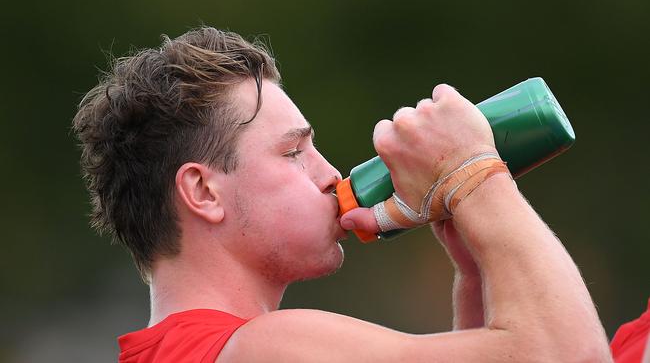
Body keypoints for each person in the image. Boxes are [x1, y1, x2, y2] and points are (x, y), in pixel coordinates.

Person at [73, 26, 612, 362]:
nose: (331, 174)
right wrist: (475, 175)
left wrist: (476, 261)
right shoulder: (267, 349)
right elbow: (575, 357)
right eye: (293, 153)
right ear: (202, 191)